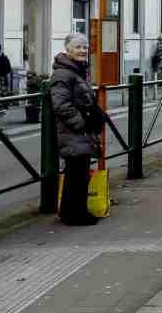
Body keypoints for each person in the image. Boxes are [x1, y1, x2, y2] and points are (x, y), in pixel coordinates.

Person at [51, 33, 104, 226]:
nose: (82, 50)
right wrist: (81, 122)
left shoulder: (77, 70)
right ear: (67, 49)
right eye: (78, 47)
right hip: (72, 131)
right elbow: (60, 104)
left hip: (78, 131)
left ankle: (71, 213)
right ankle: (75, 215)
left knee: (78, 172)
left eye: (84, 47)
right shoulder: (63, 73)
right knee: (76, 173)